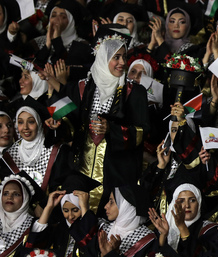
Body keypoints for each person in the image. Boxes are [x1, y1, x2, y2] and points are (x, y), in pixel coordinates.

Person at [44, 31, 149, 211]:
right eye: (116, 57)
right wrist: (57, 125)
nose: (123, 63)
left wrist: (112, 130)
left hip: (116, 172)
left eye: (124, 57)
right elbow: (71, 125)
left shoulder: (135, 92)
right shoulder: (81, 87)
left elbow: (142, 132)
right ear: (102, 58)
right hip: (80, 168)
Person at [1, 106, 69, 192]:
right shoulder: (9, 156)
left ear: (39, 123)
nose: (25, 127)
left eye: (31, 122)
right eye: (20, 122)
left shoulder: (57, 150)